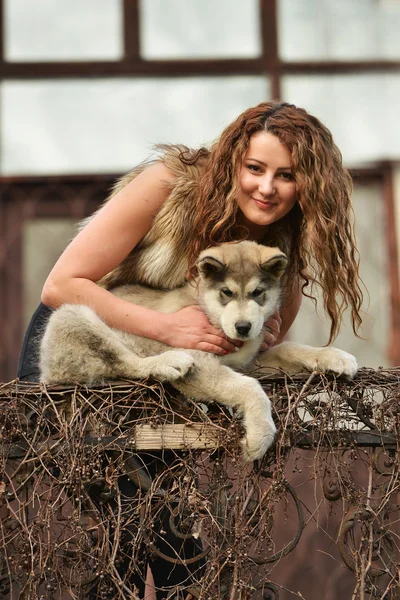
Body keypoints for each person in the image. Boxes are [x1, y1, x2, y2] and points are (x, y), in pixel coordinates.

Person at [17, 101, 364, 597]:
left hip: (171, 377)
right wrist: (168, 329)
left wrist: (258, 333)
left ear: (308, 182)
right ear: (232, 162)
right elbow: (60, 285)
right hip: (84, 344)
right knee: (126, 543)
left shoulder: (282, 233)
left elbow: (268, 334)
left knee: (172, 543)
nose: (267, 187)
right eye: (255, 169)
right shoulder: (169, 183)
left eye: (286, 175)